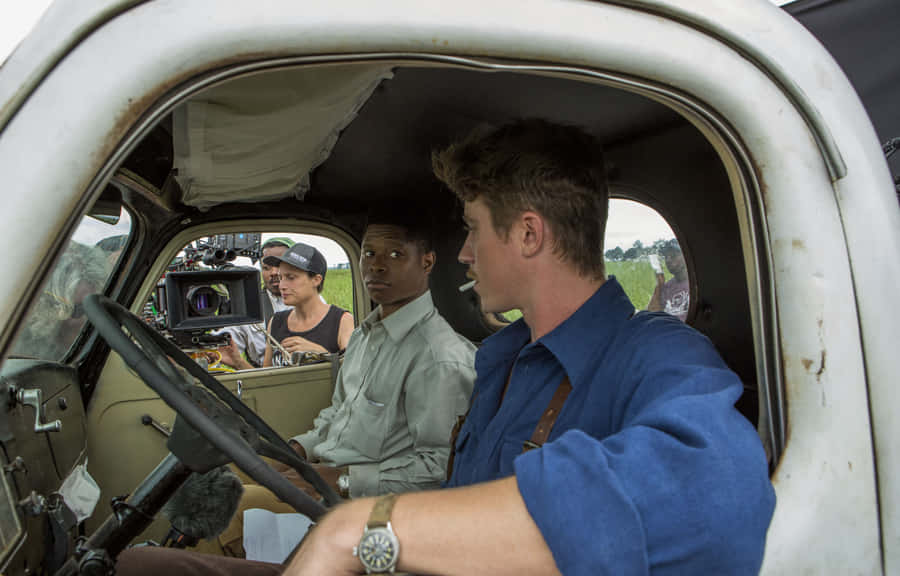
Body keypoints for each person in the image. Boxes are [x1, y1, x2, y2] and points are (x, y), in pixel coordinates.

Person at [279, 119, 775, 575]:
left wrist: (362, 530)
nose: (464, 254)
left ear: (528, 234)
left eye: (473, 228)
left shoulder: (657, 355)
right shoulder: (504, 357)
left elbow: (715, 494)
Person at [115, 209, 477, 572]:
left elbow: (438, 470)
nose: (376, 266)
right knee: (213, 478)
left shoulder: (439, 358)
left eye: (395, 254)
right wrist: (296, 450)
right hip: (326, 475)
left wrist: (341, 479)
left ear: (427, 262)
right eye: (369, 253)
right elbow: (338, 414)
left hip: (363, 506)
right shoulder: (368, 334)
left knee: (230, 509)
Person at [261, 241, 354, 366]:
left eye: (291, 277)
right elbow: (265, 378)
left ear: (316, 280)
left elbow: (354, 374)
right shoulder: (276, 322)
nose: (282, 286)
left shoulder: (342, 321)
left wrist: (321, 355)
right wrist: (237, 361)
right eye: (281, 277)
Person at [216, 237, 293, 369]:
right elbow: (223, 342)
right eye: (266, 268)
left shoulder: (314, 301)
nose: (273, 272)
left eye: (279, 265)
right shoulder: (249, 307)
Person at [646, 239, 690, 321]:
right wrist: (659, 285)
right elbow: (650, 314)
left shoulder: (696, 284)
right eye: (666, 256)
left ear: (686, 256)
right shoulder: (667, 286)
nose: (668, 260)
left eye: (673, 255)